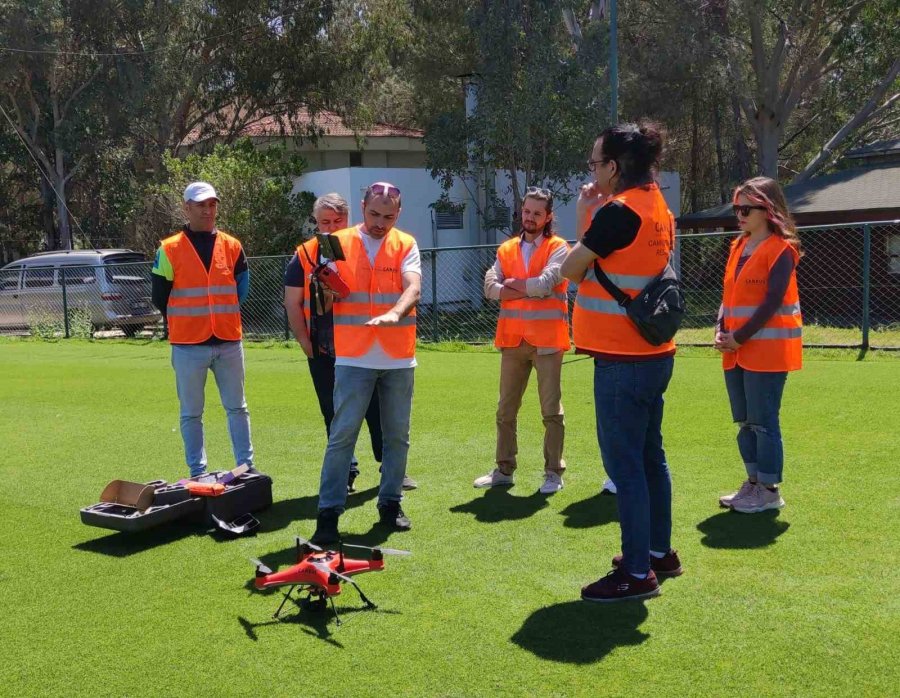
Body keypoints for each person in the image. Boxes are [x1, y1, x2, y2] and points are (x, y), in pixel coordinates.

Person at [561, 122, 682, 603]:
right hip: (653, 353)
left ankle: (636, 574)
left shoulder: (617, 212)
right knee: (651, 457)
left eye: (595, 163)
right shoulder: (659, 207)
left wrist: (583, 213)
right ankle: (657, 554)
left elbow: (572, 268)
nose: (592, 171)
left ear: (613, 167)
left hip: (622, 358)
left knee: (626, 465)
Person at [310, 182, 421, 545]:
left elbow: (413, 287)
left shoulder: (406, 243)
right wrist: (323, 286)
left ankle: (390, 503)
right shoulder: (336, 241)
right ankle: (328, 513)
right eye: (374, 214)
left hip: (398, 356)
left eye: (388, 216)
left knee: (397, 437)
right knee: (342, 435)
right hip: (354, 354)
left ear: (399, 214)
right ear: (362, 207)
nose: (380, 222)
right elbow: (326, 303)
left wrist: (395, 312)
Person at [285, 193, 417, 493]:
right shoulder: (305, 253)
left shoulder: (363, 246)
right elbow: (292, 302)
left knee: (378, 412)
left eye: (336, 221)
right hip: (323, 346)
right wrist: (304, 340)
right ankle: (346, 474)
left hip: (364, 345)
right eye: (323, 222)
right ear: (315, 223)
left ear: (348, 219)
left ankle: (391, 469)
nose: (331, 228)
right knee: (334, 415)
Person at [151, 181, 254, 476]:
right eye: (200, 205)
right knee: (191, 414)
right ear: (187, 208)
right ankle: (198, 472)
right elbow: (160, 296)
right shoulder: (169, 249)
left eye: (212, 204)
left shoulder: (232, 245)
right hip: (187, 345)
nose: (208, 210)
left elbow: (242, 290)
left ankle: (246, 467)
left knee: (238, 408)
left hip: (228, 341)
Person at [473, 187, 570, 494]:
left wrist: (511, 285)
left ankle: (553, 473)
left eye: (536, 213)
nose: (529, 217)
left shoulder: (560, 248)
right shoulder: (507, 249)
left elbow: (546, 284)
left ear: (548, 216)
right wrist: (525, 287)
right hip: (513, 341)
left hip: (548, 341)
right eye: (526, 211)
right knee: (505, 410)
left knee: (551, 411)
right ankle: (504, 470)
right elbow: (490, 288)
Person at [715, 176, 802, 513]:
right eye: (736, 208)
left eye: (746, 208)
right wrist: (721, 331)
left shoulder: (782, 249)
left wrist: (738, 337)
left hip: (765, 352)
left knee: (764, 422)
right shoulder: (738, 245)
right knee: (745, 421)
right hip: (736, 351)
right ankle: (752, 483)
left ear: (767, 210)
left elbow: (771, 302)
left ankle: (769, 489)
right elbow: (730, 298)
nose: (740, 214)